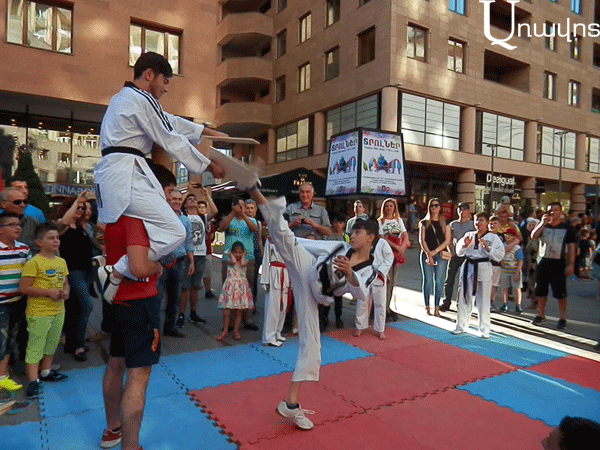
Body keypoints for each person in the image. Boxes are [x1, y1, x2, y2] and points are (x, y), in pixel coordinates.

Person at [93, 51, 226, 303]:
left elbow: (167, 120)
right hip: (126, 175)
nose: (166, 88)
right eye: (165, 81)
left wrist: (203, 131)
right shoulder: (141, 98)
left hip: (111, 176)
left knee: (132, 230)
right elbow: (169, 137)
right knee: (175, 231)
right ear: (149, 75)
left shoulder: (122, 98)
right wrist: (208, 165)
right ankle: (119, 268)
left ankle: (112, 265)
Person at [247, 180, 377, 431]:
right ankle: (254, 190)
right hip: (308, 269)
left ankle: (290, 403)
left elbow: (360, 292)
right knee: (286, 237)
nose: (353, 235)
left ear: (370, 238)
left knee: (312, 347)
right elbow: (306, 245)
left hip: (316, 296)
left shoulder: (369, 268)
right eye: (353, 232)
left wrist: (350, 274)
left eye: (358, 232)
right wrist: (279, 240)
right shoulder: (341, 246)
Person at [100, 210, 164, 450]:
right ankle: (130, 446)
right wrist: (156, 266)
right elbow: (138, 267)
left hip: (117, 300)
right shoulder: (136, 220)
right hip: (139, 303)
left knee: (116, 363)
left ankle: (112, 429)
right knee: (138, 375)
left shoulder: (113, 218)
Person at [19, 224, 70, 399]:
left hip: (58, 311)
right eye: (51, 238)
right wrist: (48, 292)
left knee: (51, 343)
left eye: (57, 237)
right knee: (36, 346)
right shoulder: (33, 263)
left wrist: (66, 292)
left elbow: (66, 283)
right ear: (39, 242)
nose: (56, 241)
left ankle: (46, 371)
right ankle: (33, 380)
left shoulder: (61, 262)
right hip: (39, 313)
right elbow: (24, 288)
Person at [52, 192, 95, 362]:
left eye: (83, 208)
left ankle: (72, 342)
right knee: (86, 306)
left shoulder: (82, 227)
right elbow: (64, 221)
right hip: (72, 272)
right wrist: (77, 201)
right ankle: (78, 346)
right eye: (78, 208)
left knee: (74, 308)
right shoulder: (61, 226)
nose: (81, 211)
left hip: (86, 272)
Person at [452, 212, 505, 339]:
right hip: (469, 266)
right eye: (476, 220)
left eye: (481, 220)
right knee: (464, 297)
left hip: (484, 267)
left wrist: (488, 249)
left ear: (487, 223)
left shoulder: (493, 238)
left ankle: (484, 329)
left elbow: (500, 255)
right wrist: (464, 245)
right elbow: (459, 252)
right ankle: (461, 326)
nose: (478, 223)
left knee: (484, 300)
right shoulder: (469, 235)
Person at [530, 202, 577, 330]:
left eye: (555, 210)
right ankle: (540, 315)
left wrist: (571, 264)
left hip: (558, 263)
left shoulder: (567, 228)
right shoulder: (543, 226)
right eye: (550, 210)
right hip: (543, 261)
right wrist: (541, 223)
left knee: (560, 293)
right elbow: (533, 236)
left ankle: (562, 318)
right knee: (541, 291)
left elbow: (571, 247)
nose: (552, 212)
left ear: (560, 212)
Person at [156, 167, 190, 338]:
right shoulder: (160, 216)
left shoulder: (185, 220)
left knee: (174, 298)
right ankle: (153, 329)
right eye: (174, 198)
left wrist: (191, 261)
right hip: (162, 263)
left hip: (179, 262)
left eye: (179, 199)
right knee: (157, 297)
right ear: (168, 200)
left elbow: (188, 242)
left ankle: (170, 327)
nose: (177, 201)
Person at [0, 212, 31, 393]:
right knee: (1, 341)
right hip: (1, 304)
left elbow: (30, 274)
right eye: (11, 224)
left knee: (11, 340)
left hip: (18, 301)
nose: (17, 227)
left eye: (18, 224)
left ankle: (2, 377)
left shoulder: (24, 249)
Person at [177, 190, 217, 327]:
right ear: (185, 205)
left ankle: (193, 313)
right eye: (190, 199)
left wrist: (206, 195)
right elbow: (176, 207)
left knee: (195, 286)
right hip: (186, 255)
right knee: (185, 287)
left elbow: (215, 211)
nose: (193, 200)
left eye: (194, 199)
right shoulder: (183, 217)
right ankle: (181, 314)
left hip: (200, 255)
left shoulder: (202, 218)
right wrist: (187, 191)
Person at [218, 199, 259, 331]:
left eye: (243, 205)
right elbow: (221, 228)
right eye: (238, 205)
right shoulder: (228, 219)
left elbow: (254, 229)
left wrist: (244, 215)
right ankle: (230, 323)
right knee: (229, 289)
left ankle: (247, 320)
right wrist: (232, 213)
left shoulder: (251, 220)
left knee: (247, 289)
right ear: (233, 206)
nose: (240, 207)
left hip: (247, 259)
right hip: (229, 260)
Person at [354, 236, 393, 339]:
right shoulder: (362, 241)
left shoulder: (382, 243)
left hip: (378, 274)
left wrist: (381, 270)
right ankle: (360, 327)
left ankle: (380, 330)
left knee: (380, 303)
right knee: (362, 301)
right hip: (365, 274)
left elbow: (389, 257)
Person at [418, 198, 451, 317]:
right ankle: (427, 306)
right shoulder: (424, 222)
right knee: (427, 281)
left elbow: (447, 240)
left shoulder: (445, 222)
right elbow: (422, 240)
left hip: (440, 254)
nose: (434, 208)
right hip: (426, 253)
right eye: (432, 205)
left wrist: (435, 251)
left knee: (439, 281)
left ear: (440, 207)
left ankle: (437, 307)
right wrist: (428, 254)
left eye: (436, 205)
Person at [440, 202, 474, 312]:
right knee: (449, 280)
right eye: (459, 209)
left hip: (467, 256)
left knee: (463, 281)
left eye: (463, 210)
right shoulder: (453, 224)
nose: (461, 212)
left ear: (468, 212)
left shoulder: (472, 225)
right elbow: (448, 239)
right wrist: (450, 252)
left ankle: (461, 303)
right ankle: (446, 302)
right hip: (454, 255)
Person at [378, 198, 408, 322]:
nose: (389, 208)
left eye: (391, 206)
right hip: (385, 255)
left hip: (396, 256)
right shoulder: (380, 221)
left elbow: (405, 235)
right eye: (387, 206)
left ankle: (388, 306)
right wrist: (396, 246)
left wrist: (402, 248)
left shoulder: (398, 220)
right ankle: (381, 308)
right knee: (385, 281)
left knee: (392, 283)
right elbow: (382, 238)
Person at [216, 241, 254, 341]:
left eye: (240, 252)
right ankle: (225, 330)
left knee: (238, 312)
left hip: (240, 288)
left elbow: (242, 263)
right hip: (230, 287)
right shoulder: (229, 260)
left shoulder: (245, 260)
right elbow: (233, 262)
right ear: (232, 252)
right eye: (235, 252)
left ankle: (236, 331)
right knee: (226, 312)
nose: (238, 255)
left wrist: (243, 256)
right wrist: (230, 254)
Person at [261, 238, 290, 347]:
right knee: (272, 308)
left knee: (283, 307)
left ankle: (278, 332)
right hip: (274, 273)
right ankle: (268, 337)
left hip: (285, 272)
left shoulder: (289, 239)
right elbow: (266, 259)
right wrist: (265, 279)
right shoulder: (270, 240)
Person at [322, 213, 349, 330]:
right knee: (327, 293)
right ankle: (325, 317)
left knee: (338, 295)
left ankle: (338, 317)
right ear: (332, 223)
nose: (338, 225)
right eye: (336, 222)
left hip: (339, 269)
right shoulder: (327, 235)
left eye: (341, 222)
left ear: (344, 225)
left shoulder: (345, 237)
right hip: (328, 268)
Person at [499, 228, 524, 313]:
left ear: (514, 236)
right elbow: (500, 255)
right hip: (504, 270)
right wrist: (501, 261)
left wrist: (517, 272)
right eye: (505, 235)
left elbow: (520, 260)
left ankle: (518, 305)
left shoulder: (517, 248)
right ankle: (504, 304)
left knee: (516, 288)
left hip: (514, 270)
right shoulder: (502, 245)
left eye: (509, 235)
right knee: (504, 288)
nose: (507, 236)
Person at [488, 215, 502, 308]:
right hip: (486, 262)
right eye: (491, 223)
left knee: (494, 283)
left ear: (499, 225)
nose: (492, 225)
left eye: (495, 223)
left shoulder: (501, 236)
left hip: (496, 263)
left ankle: (491, 300)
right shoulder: (485, 235)